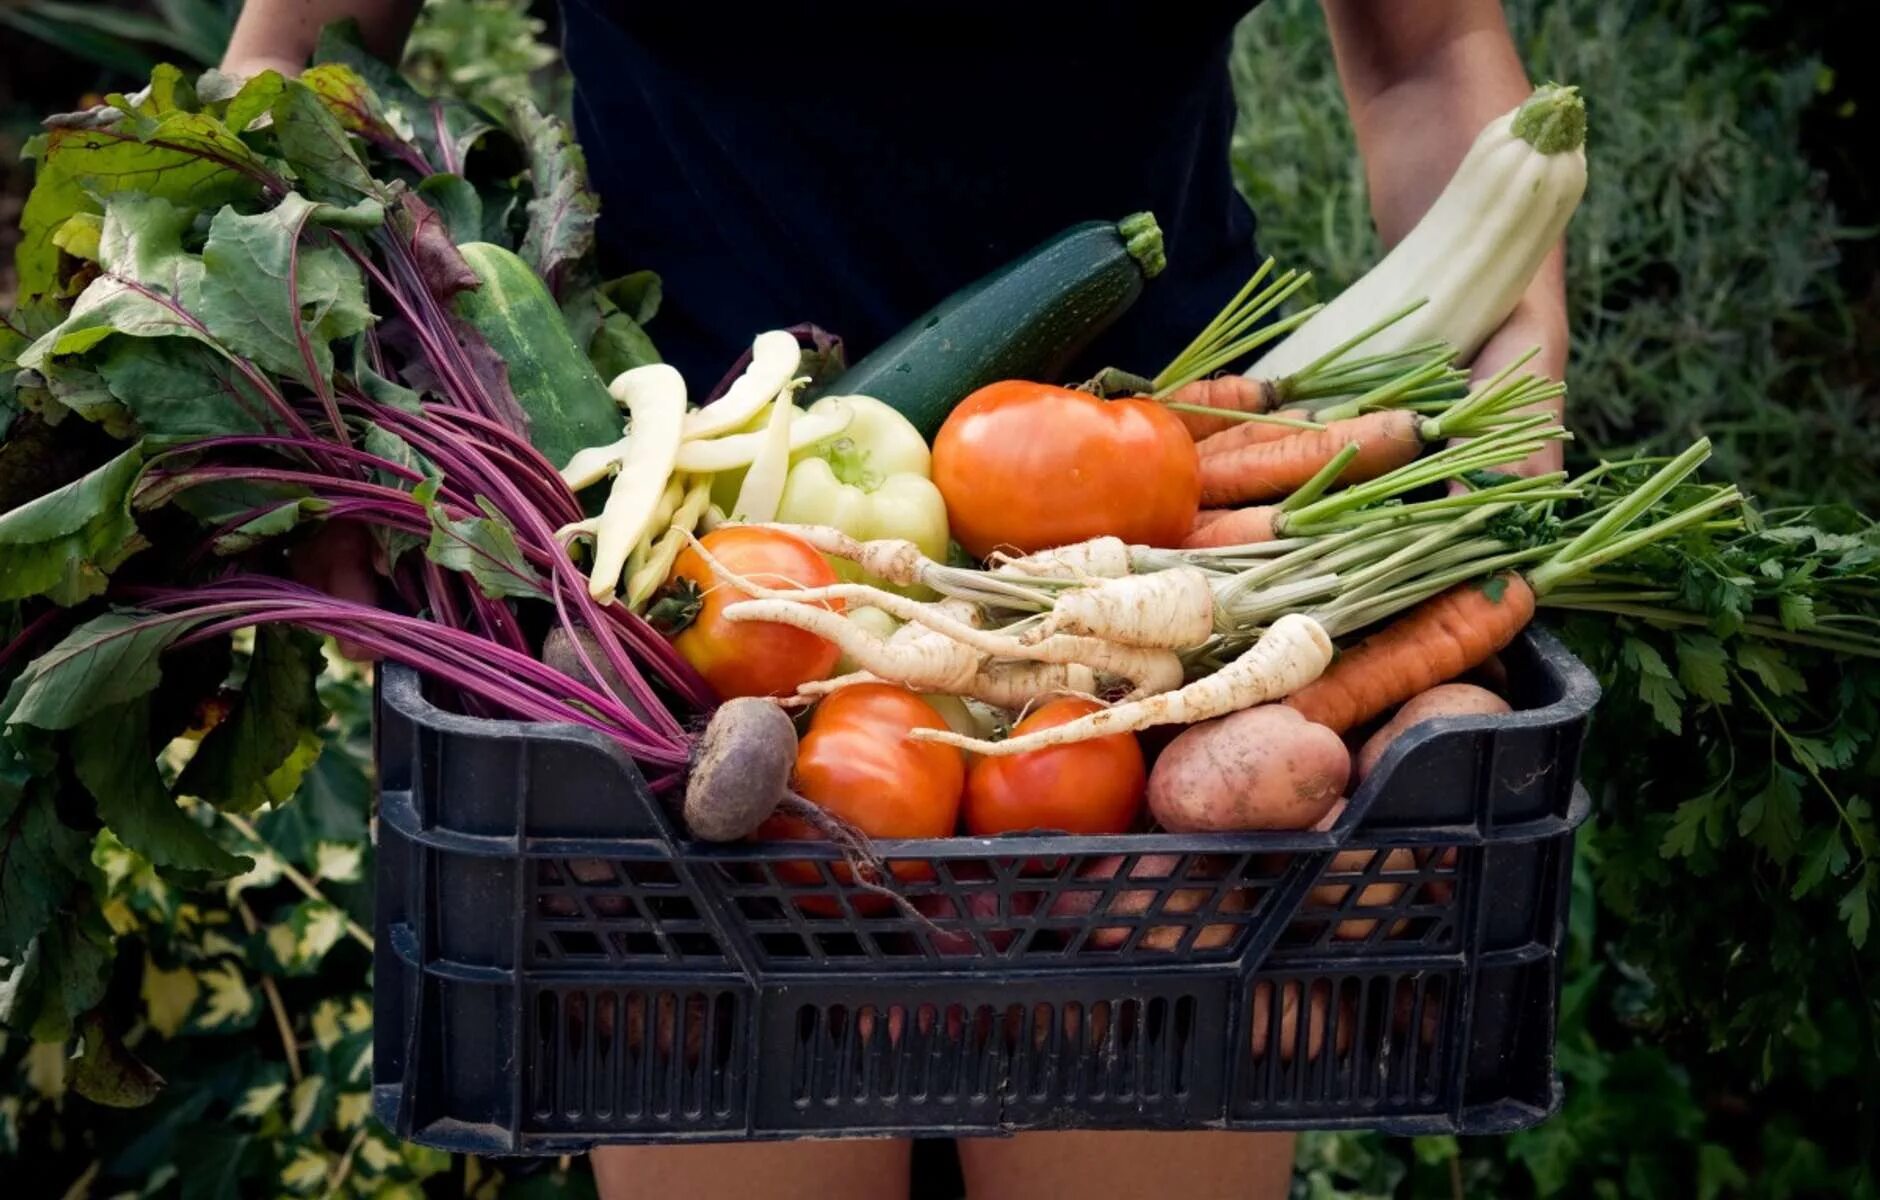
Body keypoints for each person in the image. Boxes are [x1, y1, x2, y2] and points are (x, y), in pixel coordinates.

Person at [223, 3, 1567, 1197]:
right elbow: (297, 54)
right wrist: (294, 410)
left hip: (1167, 570)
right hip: (683, 602)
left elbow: (1426, 53)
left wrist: (1513, 407)